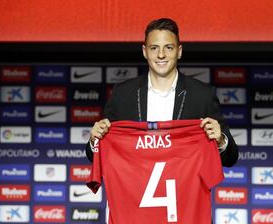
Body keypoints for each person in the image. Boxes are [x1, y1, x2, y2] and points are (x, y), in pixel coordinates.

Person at [85, 18, 238, 166]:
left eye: (168, 47)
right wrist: (94, 140)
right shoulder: (123, 94)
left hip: (184, 191)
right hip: (136, 190)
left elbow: (230, 158)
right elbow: (96, 156)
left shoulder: (202, 95)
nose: (161, 55)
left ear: (179, 51)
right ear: (145, 51)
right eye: (154, 48)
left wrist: (221, 141)